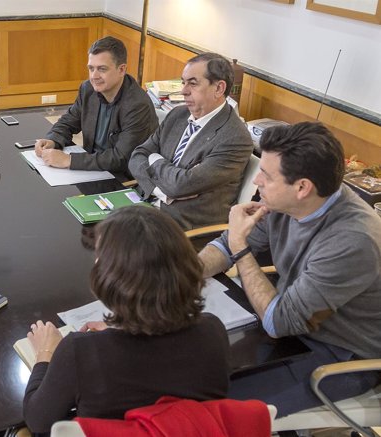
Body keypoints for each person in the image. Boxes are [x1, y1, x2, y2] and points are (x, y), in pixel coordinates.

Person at [198, 121, 381, 417]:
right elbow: (226, 246)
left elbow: (277, 322)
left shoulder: (353, 240)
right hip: (287, 323)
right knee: (190, 374)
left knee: (212, 406)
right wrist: (184, 272)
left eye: (267, 176)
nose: (256, 180)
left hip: (338, 355)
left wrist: (240, 246)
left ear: (302, 187)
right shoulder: (284, 204)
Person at [23, 207, 230, 434]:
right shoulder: (212, 331)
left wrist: (45, 354)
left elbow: (38, 420)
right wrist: (120, 328)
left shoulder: (80, 352)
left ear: (112, 279)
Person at [128, 52, 253, 230]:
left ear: (219, 88)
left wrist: (155, 159)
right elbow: (137, 156)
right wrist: (160, 191)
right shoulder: (177, 115)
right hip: (146, 204)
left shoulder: (235, 138)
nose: (183, 90)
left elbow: (180, 185)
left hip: (181, 229)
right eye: (183, 82)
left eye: (192, 83)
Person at [34, 36, 157, 172]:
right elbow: (68, 122)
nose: (94, 76)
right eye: (91, 68)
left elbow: (121, 158)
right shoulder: (88, 89)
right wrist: (52, 140)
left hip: (121, 177)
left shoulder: (137, 105)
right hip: (92, 168)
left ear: (121, 70)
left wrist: (69, 160)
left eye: (102, 69)